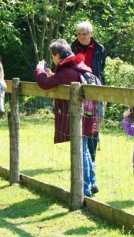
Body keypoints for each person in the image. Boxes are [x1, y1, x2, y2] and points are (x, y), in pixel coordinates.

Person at [34, 39, 99, 197]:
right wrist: (53, 76)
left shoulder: (67, 71)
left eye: (53, 56)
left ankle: (84, 188)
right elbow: (56, 80)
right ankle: (92, 183)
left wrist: (39, 70)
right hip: (89, 114)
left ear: (57, 55)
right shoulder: (77, 66)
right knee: (84, 147)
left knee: (81, 150)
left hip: (78, 116)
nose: (53, 59)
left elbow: (44, 83)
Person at [71, 21, 107, 167]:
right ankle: (80, 157)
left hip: (95, 90)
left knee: (93, 125)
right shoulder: (72, 47)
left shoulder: (100, 49)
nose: (82, 37)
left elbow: (101, 69)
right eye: (79, 34)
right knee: (77, 123)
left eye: (84, 34)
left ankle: (92, 159)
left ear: (91, 34)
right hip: (77, 89)